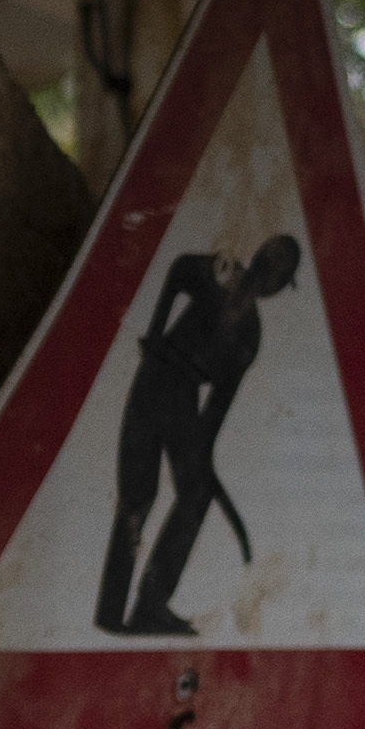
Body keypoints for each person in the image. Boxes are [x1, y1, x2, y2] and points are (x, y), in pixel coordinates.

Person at [97, 232, 299, 637]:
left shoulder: (249, 333)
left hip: (171, 388)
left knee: (159, 494)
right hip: (165, 380)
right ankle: (139, 607)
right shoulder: (222, 278)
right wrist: (155, 329)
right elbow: (179, 270)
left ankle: (136, 608)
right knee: (148, 495)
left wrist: (202, 466)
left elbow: (215, 413)